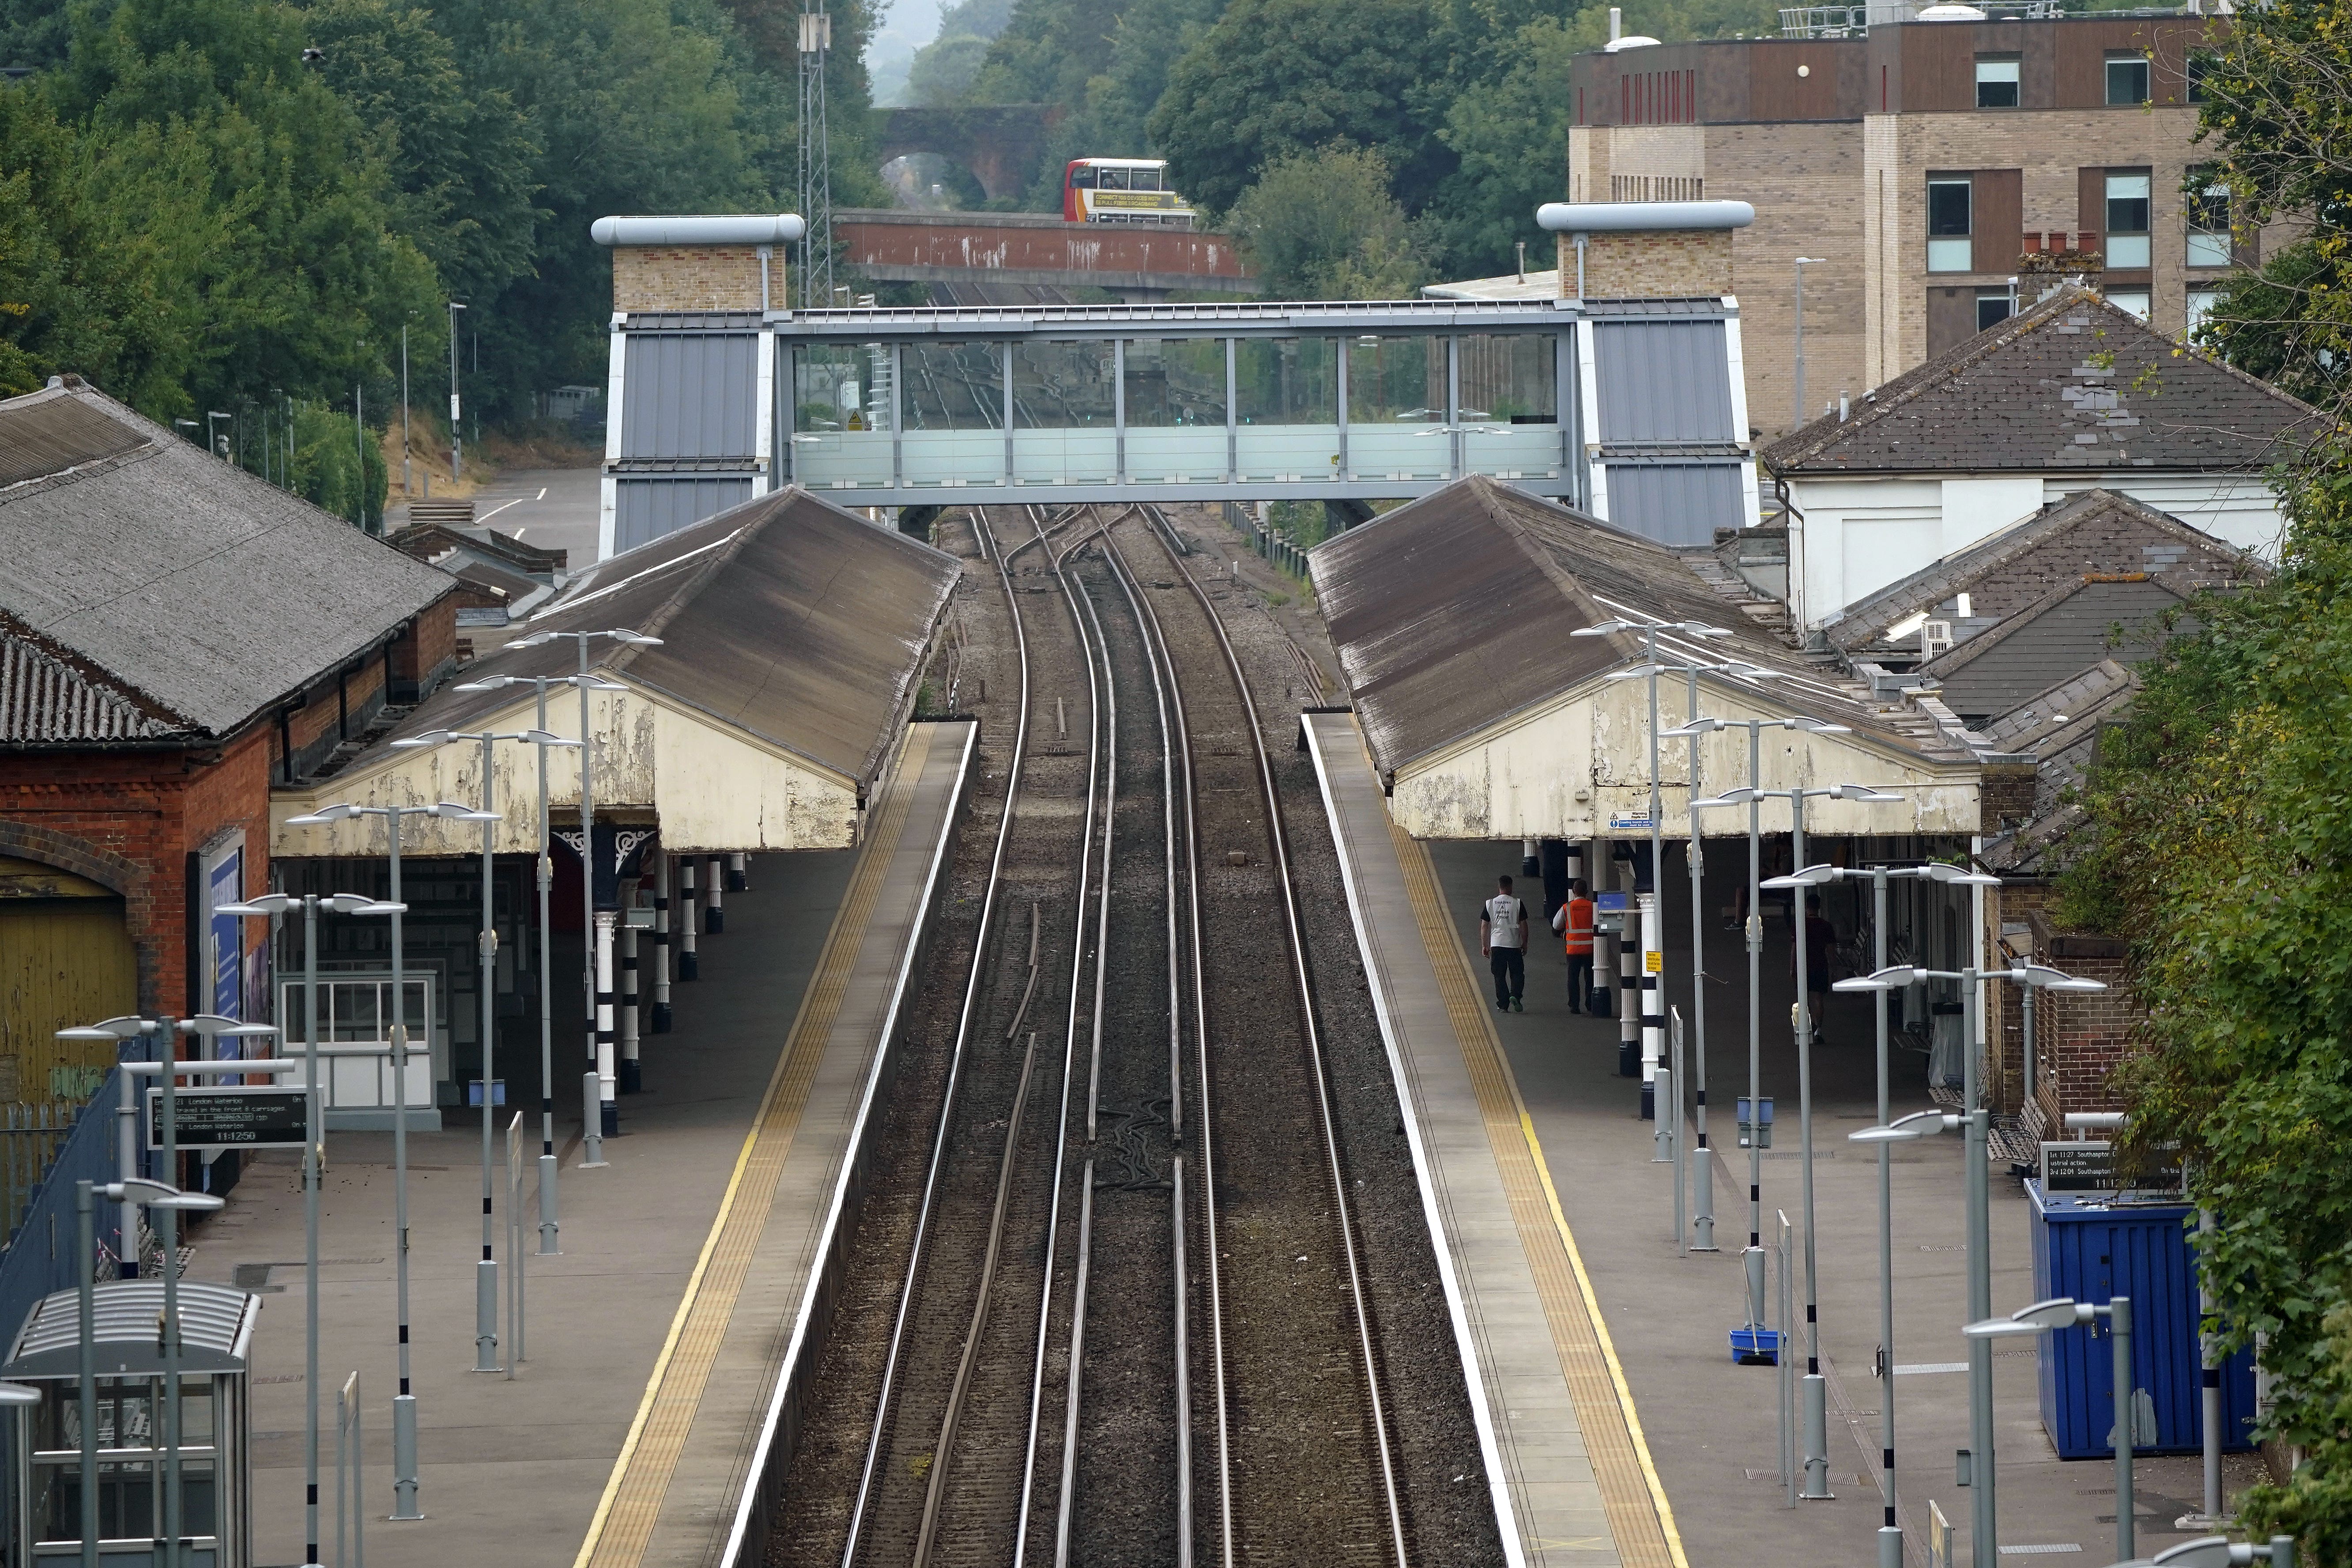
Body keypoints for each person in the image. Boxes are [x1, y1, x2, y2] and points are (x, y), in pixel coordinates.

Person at [1480, 873, 1530, 1013]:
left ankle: (1503, 1004)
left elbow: (1484, 926)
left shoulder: (1490, 903)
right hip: (1514, 944)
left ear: (1499, 887)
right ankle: (1515, 995)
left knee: (1499, 975)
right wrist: (1524, 943)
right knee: (1518, 973)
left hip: (1497, 944)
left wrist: (1485, 945)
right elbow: (1524, 925)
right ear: (1510, 887)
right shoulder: (1517, 903)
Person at [1551, 878, 1596, 1013]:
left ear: (1574, 892)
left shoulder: (1567, 907)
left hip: (1573, 949)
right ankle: (1590, 1004)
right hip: (1590, 948)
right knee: (1590, 979)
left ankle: (1574, 1005)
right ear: (1587, 892)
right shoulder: (1593, 906)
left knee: (1573, 978)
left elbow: (1555, 925)